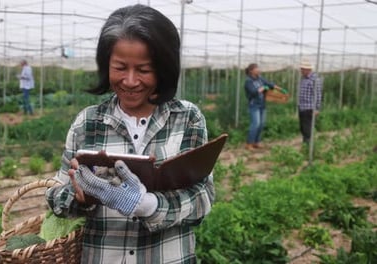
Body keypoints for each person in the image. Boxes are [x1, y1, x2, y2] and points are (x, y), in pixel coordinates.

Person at [46, 5, 214, 263]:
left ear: (163, 68)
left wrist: (146, 204)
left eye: (144, 70)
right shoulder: (88, 122)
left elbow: (202, 198)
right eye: (120, 67)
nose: (131, 80)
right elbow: (56, 195)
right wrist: (82, 195)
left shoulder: (186, 119)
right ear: (106, 65)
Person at [243, 63, 280, 150]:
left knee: (261, 124)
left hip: (262, 105)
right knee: (255, 124)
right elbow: (253, 92)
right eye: (257, 69)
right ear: (251, 71)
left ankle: (256, 142)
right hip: (254, 105)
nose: (259, 70)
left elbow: (269, 84)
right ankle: (249, 143)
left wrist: (279, 89)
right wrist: (263, 88)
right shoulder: (248, 81)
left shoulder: (260, 79)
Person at [298, 59, 322, 144]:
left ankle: (308, 145)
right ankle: (305, 143)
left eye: (302, 69)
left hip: (309, 107)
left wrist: (317, 108)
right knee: (302, 127)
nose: (301, 71)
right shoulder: (303, 78)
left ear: (308, 69)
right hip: (302, 107)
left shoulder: (315, 79)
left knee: (307, 128)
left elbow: (318, 95)